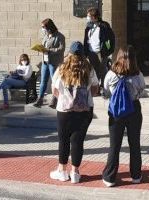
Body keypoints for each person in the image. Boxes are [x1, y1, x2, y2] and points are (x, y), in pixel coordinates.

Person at [50, 41, 98, 184]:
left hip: (64, 110)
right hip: (85, 110)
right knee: (78, 141)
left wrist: (66, 99)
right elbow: (95, 89)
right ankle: (75, 173)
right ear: (83, 54)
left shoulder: (62, 68)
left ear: (69, 53)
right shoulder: (89, 68)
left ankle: (62, 171)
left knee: (63, 140)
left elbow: (54, 90)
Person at [102, 45, 145, 187]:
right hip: (134, 110)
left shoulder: (111, 74)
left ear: (118, 57)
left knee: (114, 145)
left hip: (116, 113)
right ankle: (136, 175)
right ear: (133, 58)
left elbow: (106, 92)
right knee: (135, 144)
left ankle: (109, 177)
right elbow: (141, 90)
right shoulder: (137, 74)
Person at [33, 18, 65, 108]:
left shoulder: (60, 36)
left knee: (54, 81)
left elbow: (61, 49)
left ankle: (54, 100)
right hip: (45, 62)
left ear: (49, 27)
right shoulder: (46, 36)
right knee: (43, 81)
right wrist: (40, 48)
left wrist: (49, 50)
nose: (42, 28)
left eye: (43, 27)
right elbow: (44, 45)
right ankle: (40, 99)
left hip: (54, 62)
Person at [84, 7, 115, 95]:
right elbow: (86, 39)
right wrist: (85, 52)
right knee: (94, 71)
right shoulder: (89, 26)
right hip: (91, 52)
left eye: (88, 15)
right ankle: (96, 88)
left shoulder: (104, 25)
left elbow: (111, 39)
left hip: (101, 52)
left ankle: (103, 87)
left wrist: (109, 50)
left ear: (94, 16)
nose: (87, 17)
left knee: (102, 70)